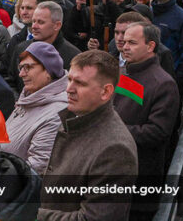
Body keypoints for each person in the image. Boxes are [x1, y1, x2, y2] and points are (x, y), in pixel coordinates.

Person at [38, 50, 139, 221]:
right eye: (69, 79)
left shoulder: (115, 150)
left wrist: (33, 214)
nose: (69, 89)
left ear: (105, 92)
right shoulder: (75, 119)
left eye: (80, 83)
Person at [114, 21, 181, 220]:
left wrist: (114, 131)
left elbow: (157, 132)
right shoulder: (128, 72)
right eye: (124, 42)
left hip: (139, 182)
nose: (124, 47)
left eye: (132, 43)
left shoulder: (163, 84)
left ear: (150, 46)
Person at [3, 42, 68, 175]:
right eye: (20, 67)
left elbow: (38, 166)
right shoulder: (29, 98)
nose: (21, 74)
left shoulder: (56, 114)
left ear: (49, 71)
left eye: (27, 67)